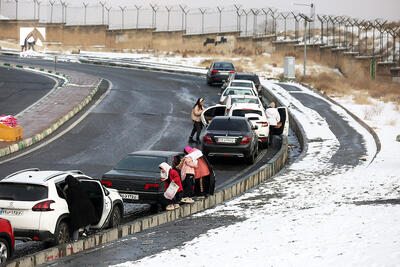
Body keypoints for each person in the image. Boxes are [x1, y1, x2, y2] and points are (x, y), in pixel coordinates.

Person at [64, 175, 97, 241]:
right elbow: (87, 193)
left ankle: (75, 239)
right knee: (88, 219)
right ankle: (86, 231)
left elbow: (69, 200)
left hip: (76, 208)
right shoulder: (80, 185)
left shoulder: (69, 190)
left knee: (76, 224)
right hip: (86, 205)